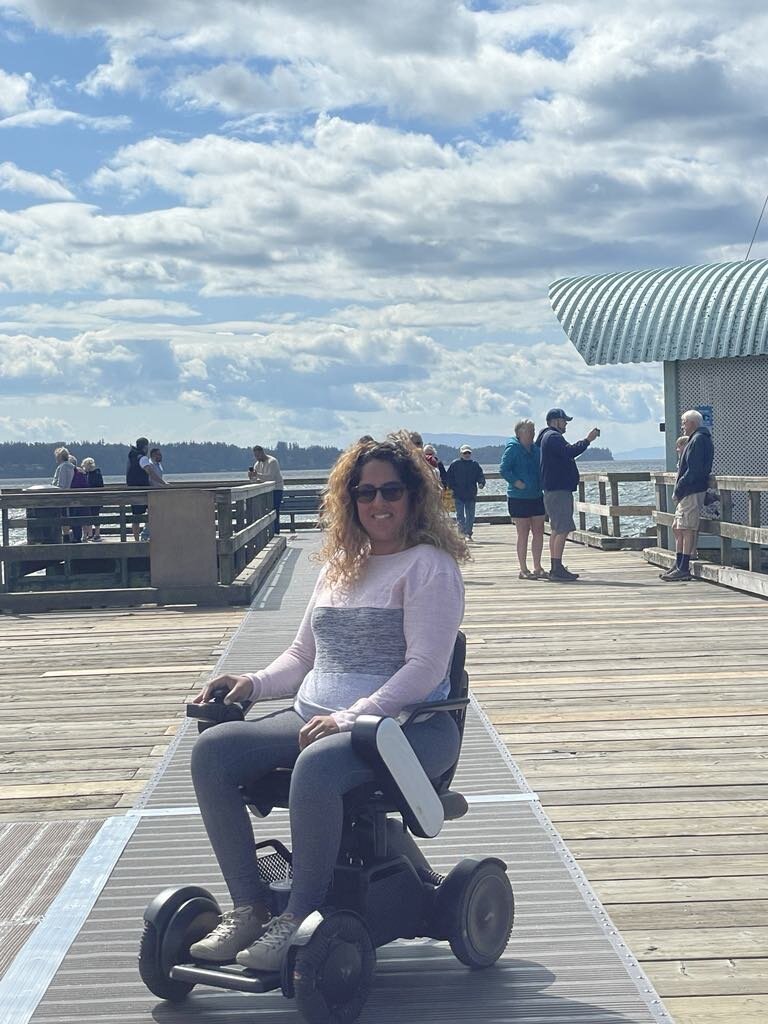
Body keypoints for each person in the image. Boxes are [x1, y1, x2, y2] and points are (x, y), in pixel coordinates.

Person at [188, 434, 468, 972]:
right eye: (365, 493)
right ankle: (249, 907)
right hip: (316, 718)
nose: (378, 504)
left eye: (390, 491)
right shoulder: (341, 564)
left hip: (405, 732)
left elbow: (426, 669)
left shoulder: (429, 567)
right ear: (350, 500)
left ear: (413, 495)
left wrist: (349, 717)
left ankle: (297, 917)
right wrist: (250, 682)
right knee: (214, 752)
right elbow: (301, 656)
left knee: (317, 765)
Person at [537, 409, 600, 581]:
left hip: (553, 490)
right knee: (562, 529)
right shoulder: (553, 437)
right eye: (564, 421)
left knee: (557, 529)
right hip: (559, 490)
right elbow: (570, 451)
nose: (566, 424)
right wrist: (588, 439)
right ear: (555, 421)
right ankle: (556, 568)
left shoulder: (545, 437)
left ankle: (555, 566)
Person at [661, 410, 714, 582]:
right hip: (689, 490)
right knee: (678, 526)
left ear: (692, 422)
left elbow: (694, 470)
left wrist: (680, 487)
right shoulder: (697, 439)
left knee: (687, 528)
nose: (682, 425)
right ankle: (678, 564)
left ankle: (684, 567)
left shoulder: (698, 440)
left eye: (684, 422)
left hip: (691, 490)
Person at [499, 419, 546, 579]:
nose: (532, 433)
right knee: (523, 532)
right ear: (519, 433)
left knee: (539, 531)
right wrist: (516, 482)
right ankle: (523, 569)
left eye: (533, 430)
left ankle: (538, 566)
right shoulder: (513, 449)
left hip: (536, 495)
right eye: (529, 431)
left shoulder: (536, 450)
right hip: (518, 497)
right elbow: (504, 469)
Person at [446, 444, 485, 540]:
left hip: (471, 494)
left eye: (468, 453)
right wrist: (450, 488)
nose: (467, 454)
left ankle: (468, 533)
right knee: (460, 515)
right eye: (465, 453)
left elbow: (480, 476)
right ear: (461, 453)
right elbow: (449, 477)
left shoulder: (475, 464)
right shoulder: (455, 464)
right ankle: (461, 533)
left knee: (470, 516)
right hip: (458, 494)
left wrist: (481, 483)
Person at [249, 445, 284, 535]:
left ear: (262, 453)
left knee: (274, 510)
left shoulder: (272, 461)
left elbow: (270, 477)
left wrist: (257, 475)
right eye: (255, 456)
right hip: (264, 491)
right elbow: (256, 480)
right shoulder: (257, 464)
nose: (256, 457)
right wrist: (251, 477)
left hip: (276, 489)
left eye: (257, 455)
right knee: (264, 512)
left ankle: (276, 532)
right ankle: (266, 532)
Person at [126, 437, 150, 542]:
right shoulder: (142, 458)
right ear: (145, 447)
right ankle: (146, 537)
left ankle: (136, 540)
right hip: (143, 490)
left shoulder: (132, 457)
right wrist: (162, 483)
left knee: (136, 516)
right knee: (153, 513)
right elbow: (150, 471)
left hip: (133, 490)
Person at [51, 446, 75, 542]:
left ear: (59, 457)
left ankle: (66, 538)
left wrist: (53, 488)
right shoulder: (72, 466)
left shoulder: (63, 467)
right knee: (69, 516)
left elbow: (61, 484)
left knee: (64, 517)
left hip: (63, 497)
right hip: (72, 496)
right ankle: (71, 536)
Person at [80, 457, 104, 542]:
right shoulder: (96, 473)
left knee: (92, 516)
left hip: (93, 499)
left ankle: (94, 534)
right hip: (96, 498)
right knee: (92, 516)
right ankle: (92, 534)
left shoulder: (92, 474)